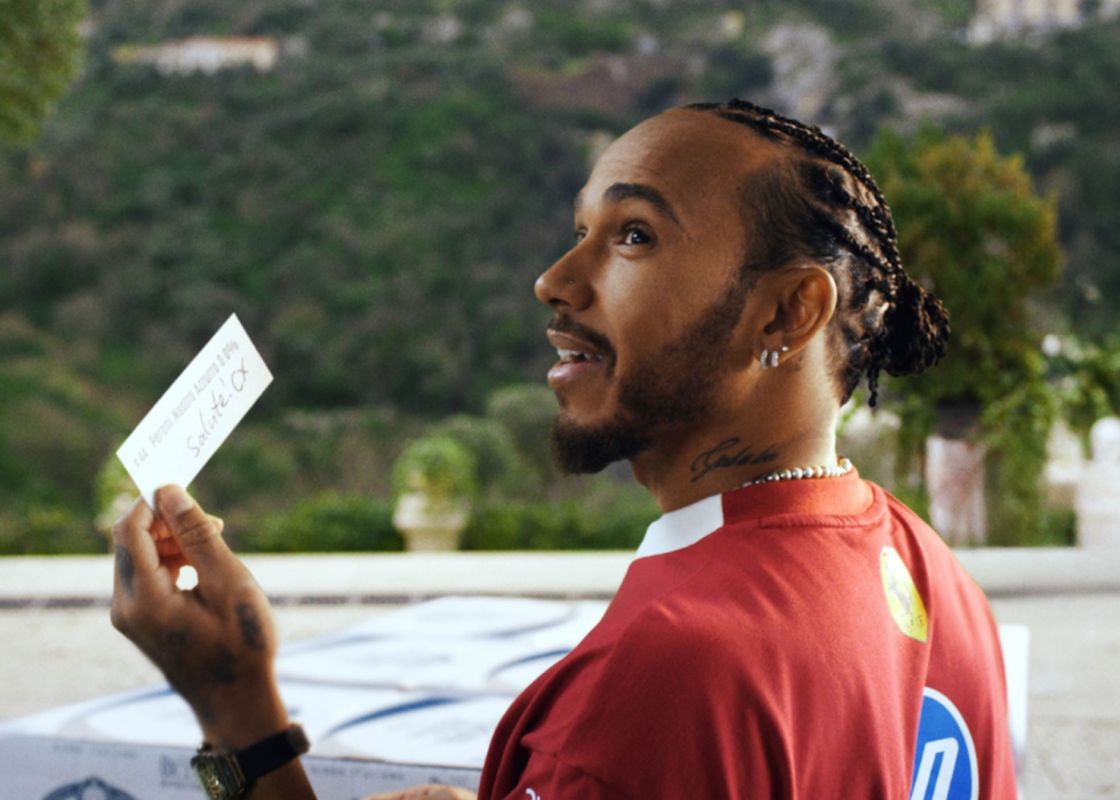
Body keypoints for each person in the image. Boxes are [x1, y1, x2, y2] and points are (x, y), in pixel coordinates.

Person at [110, 99, 1016, 799]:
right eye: (582, 231)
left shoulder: (665, 678)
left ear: (786, 311)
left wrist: (237, 712)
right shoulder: (935, 579)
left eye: (634, 236)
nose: (555, 280)